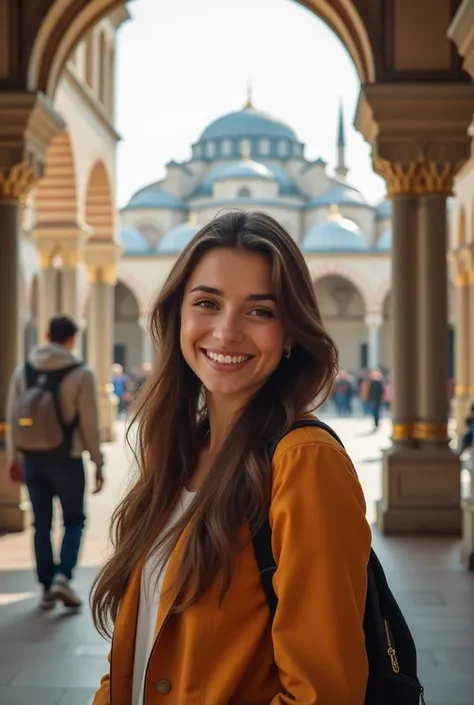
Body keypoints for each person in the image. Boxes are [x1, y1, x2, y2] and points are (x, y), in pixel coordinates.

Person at [90, 211, 371, 705]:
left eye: (259, 311)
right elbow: (136, 659)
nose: (226, 331)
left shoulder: (304, 463)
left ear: (290, 335)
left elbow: (323, 693)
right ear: (178, 315)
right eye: (207, 303)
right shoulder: (180, 455)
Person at [6, 315, 104, 610]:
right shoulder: (81, 372)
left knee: (41, 525)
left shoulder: (24, 370)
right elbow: (89, 423)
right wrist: (98, 462)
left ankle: (46, 586)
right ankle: (63, 576)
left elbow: (13, 417)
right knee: (74, 520)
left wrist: (14, 457)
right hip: (68, 460)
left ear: (47, 336)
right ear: (72, 339)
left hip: (33, 460)